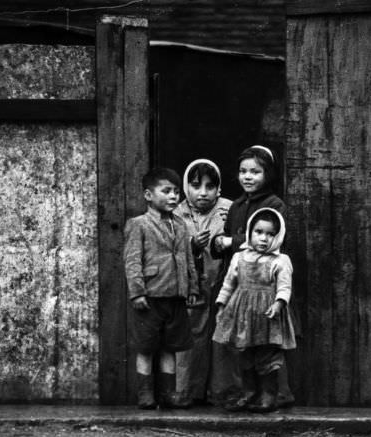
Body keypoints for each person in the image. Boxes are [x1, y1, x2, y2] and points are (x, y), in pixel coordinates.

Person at [211, 145, 295, 409]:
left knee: (268, 345)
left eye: (255, 172)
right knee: (241, 344)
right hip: (241, 288)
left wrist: (231, 242)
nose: (248, 177)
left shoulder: (273, 205)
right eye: (243, 171)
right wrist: (218, 243)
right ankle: (246, 392)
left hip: (265, 287)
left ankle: (275, 394)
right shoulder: (237, 205)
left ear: (267, 175)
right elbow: (226, 239)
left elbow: (273, 240)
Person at [124, 167, 199, 409]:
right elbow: (132, 260)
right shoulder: (139, 224)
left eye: (176, 192)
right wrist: (137, 292)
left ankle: (168, 394)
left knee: (171, 347)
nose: (173, 196)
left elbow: (187, 258)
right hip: (150, 297)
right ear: (148, 195)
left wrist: (192, 288)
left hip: (175, 296)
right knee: (146, 348)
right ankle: (145, 395)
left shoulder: (181, 224)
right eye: (166, 191)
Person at [173, 159, 233, 406]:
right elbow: (168, 247)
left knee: (223, 337)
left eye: (210, 186)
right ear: (187, 187)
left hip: (223, 283)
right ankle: (187, 392)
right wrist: (190, 246)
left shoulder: (229, 209)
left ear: (218, 188)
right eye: (196, 186)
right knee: (191, 337)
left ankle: (221, 393)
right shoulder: (176, 213)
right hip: (192, 287)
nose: (203, 192)